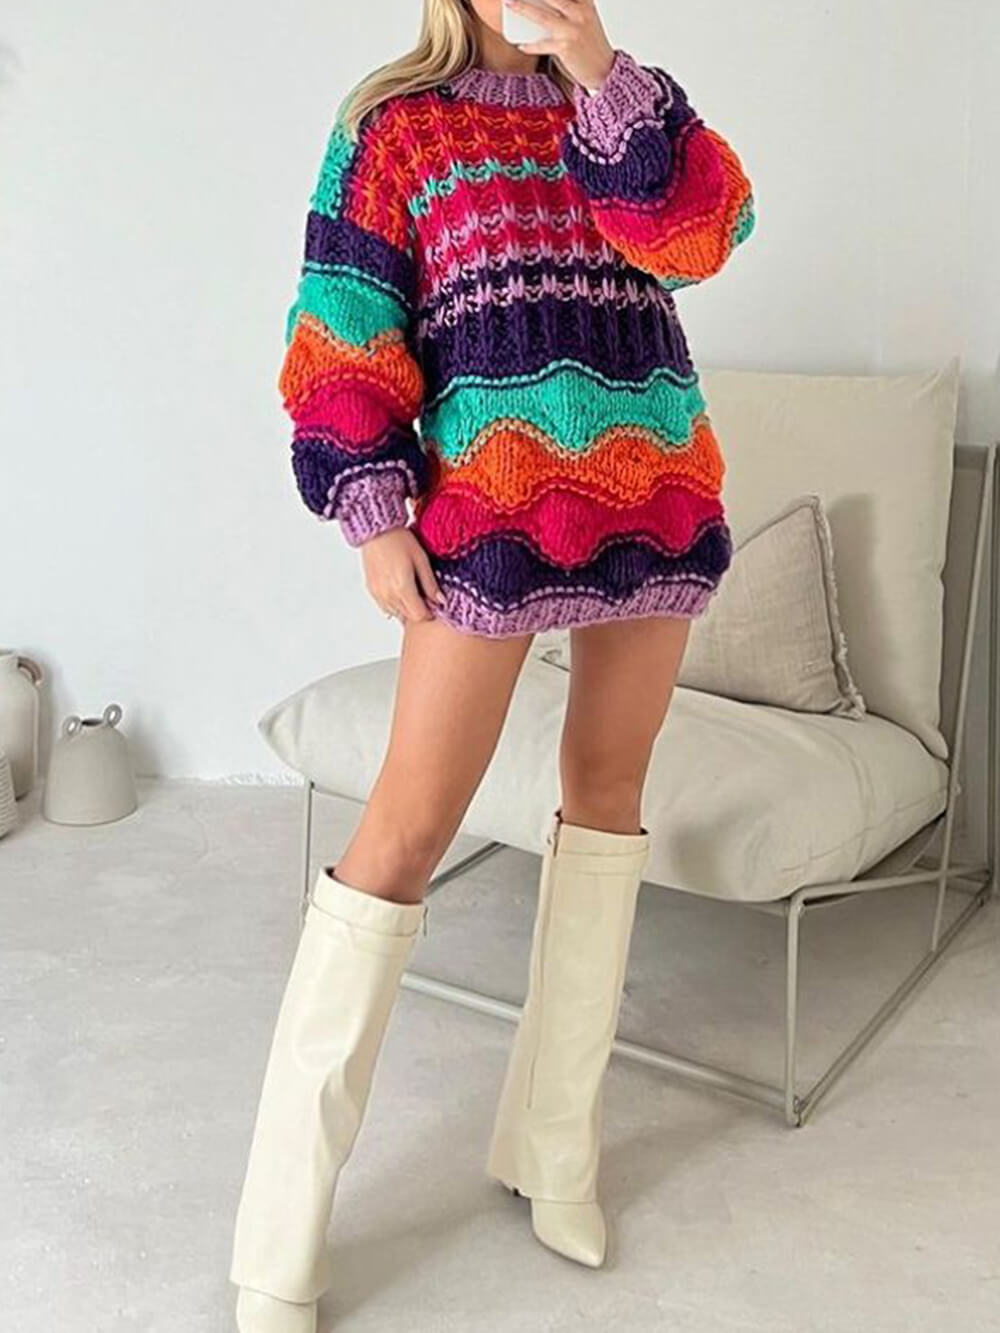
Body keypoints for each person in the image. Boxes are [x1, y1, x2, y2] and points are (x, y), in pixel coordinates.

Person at [229, 0, 755, 1327]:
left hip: (651, 496)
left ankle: (553, 1150)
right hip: (488, 521)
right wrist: (372, 508)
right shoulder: (394, 126)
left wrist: (597, 67)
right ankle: (277, 1235)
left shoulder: (626, 103)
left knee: (608, 802)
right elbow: (342, 326)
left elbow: (702, 238)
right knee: (404, 832)